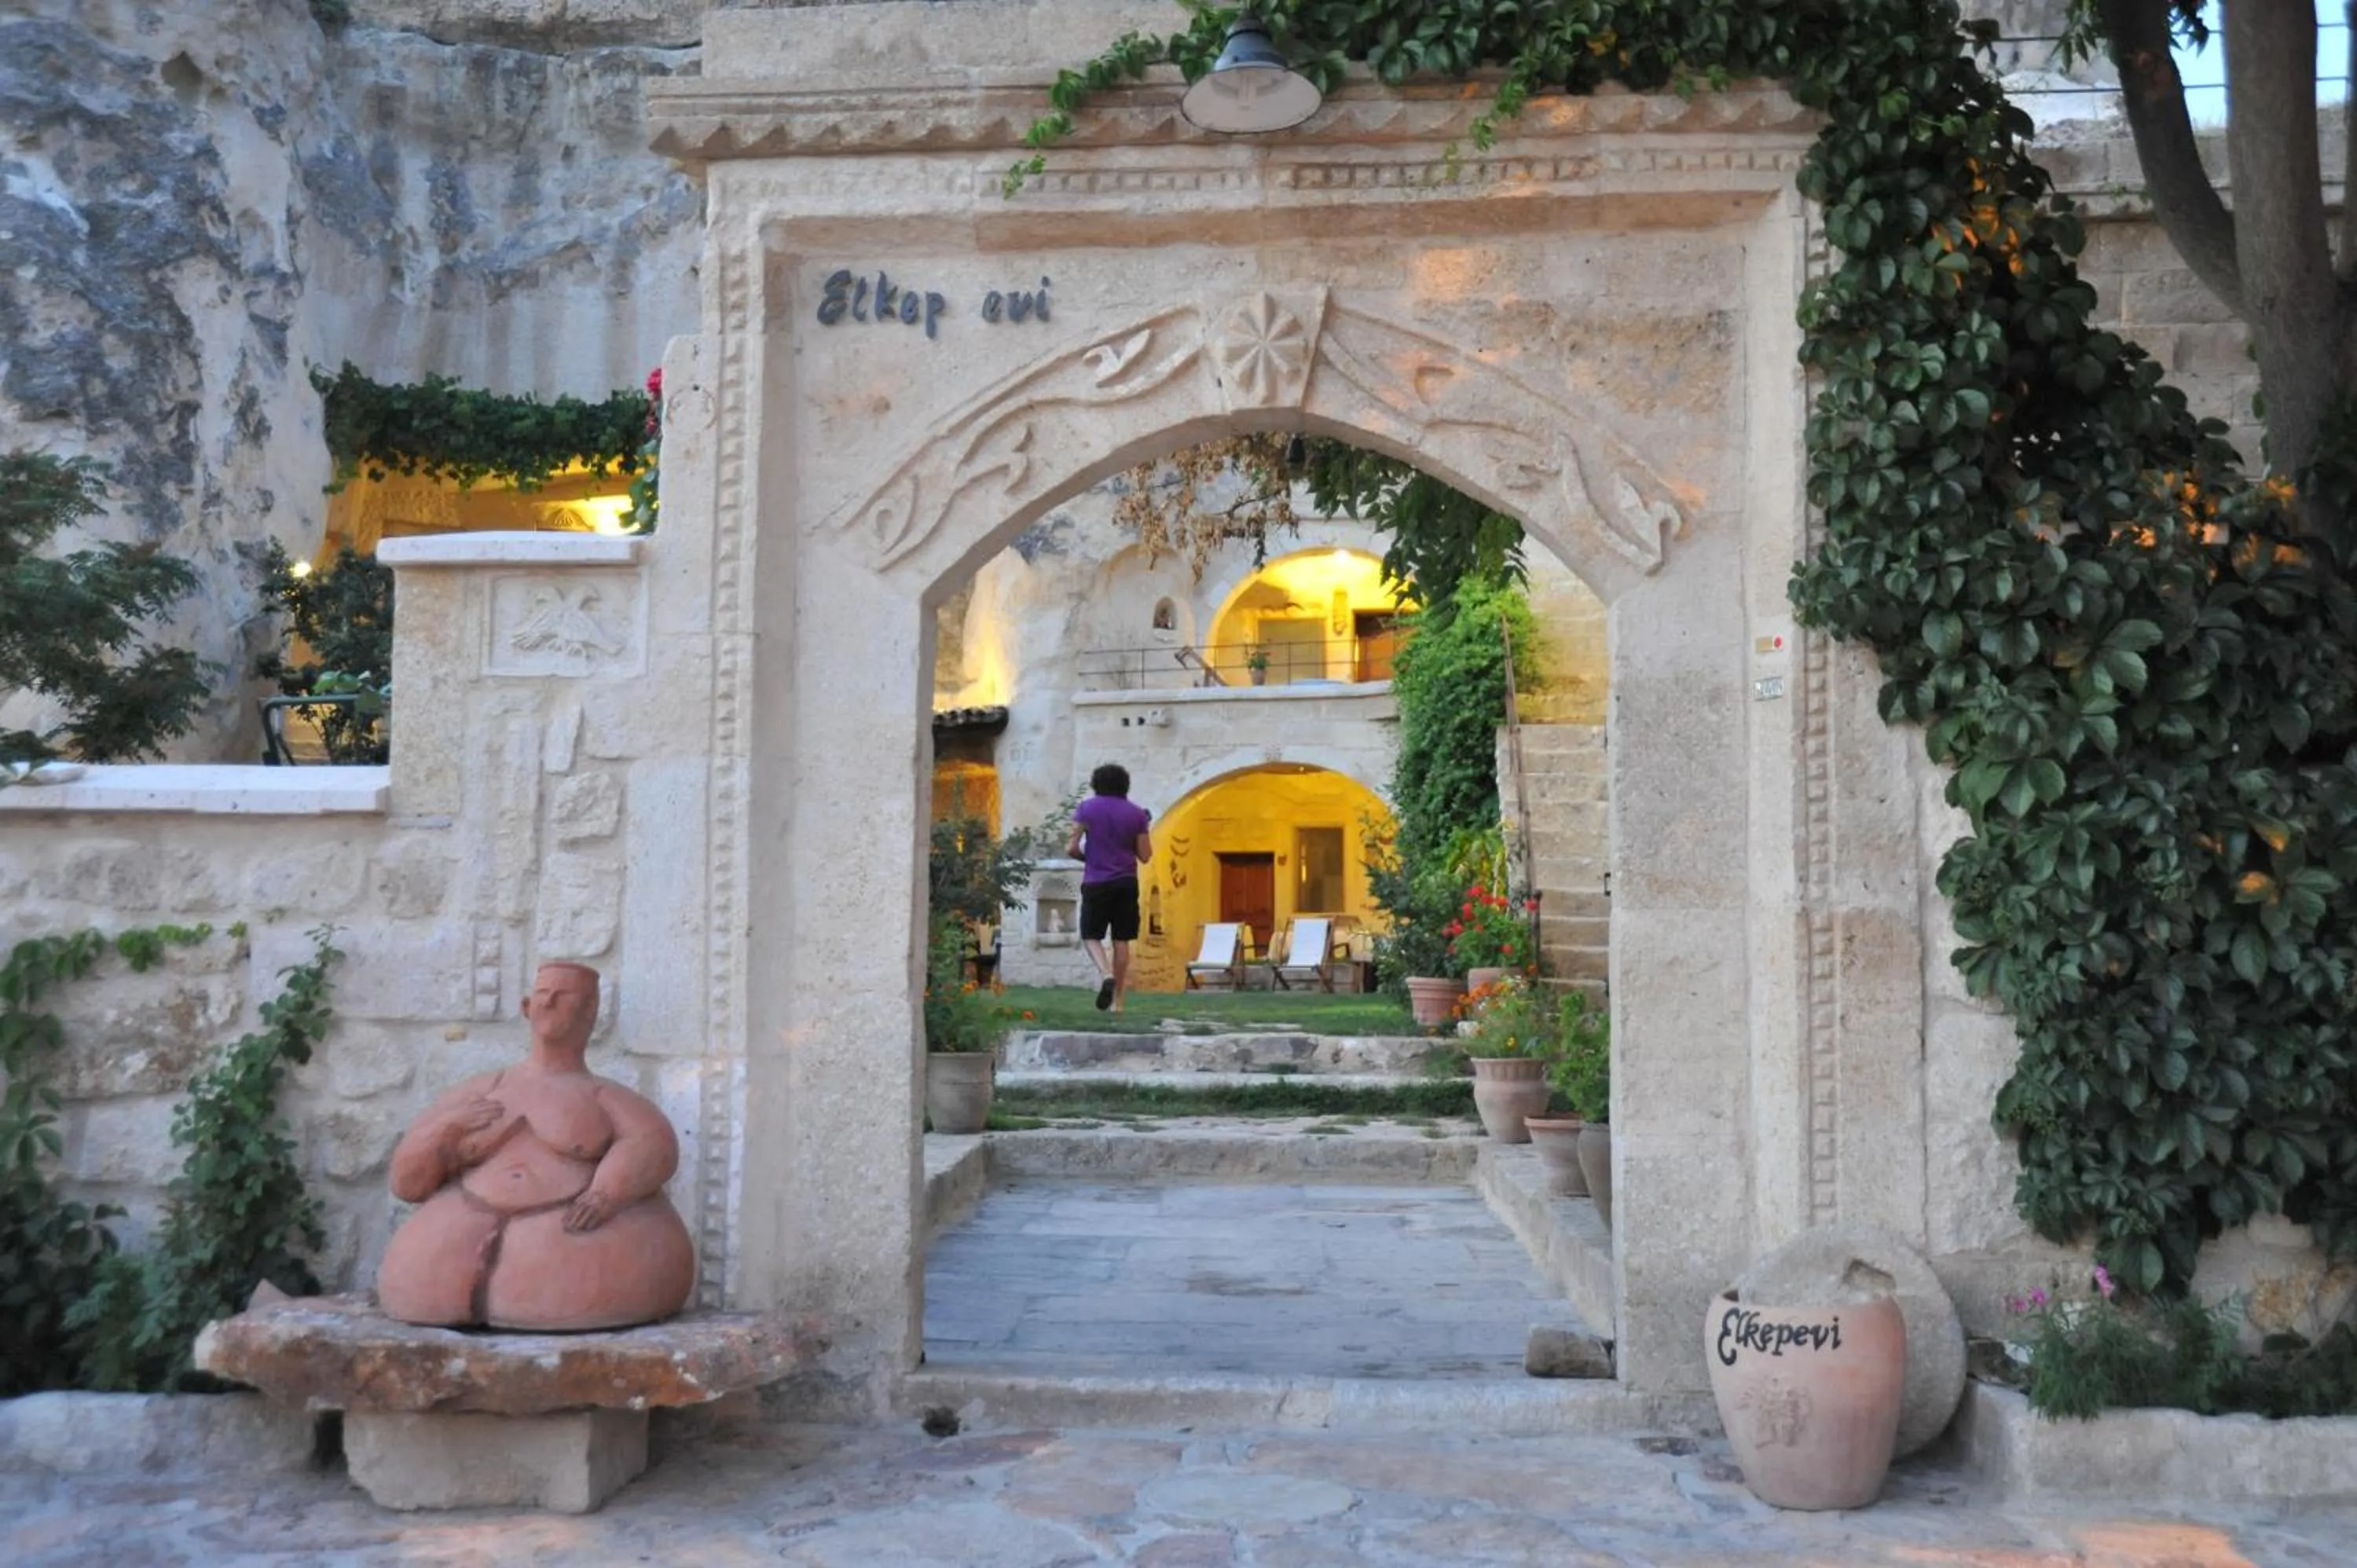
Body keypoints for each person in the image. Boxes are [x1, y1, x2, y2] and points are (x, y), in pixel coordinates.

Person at [376, 962, 697, 1331]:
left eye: (564, 997)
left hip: (571, 1254)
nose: (550, 1002)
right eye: (543, 995)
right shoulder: (482, 1090)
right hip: (457, 1246)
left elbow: (652, 1144)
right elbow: (408, 1183)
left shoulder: (605, 1097)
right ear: (527, 1007)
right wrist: (447, 1129)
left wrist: (606, 1193)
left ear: (590, 1011)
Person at [1066, 761, 1154, 1013]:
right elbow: (1146, 855)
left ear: (1096, 784)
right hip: (1126, 881)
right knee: (1122, 940)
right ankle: (1119, 1002)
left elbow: (1071, 847)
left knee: (1091, 935)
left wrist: (1088, 857)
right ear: (1125, 785)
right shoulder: (1137, 814)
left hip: (1096, 880)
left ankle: (1106, 974)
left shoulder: (1087, 809)